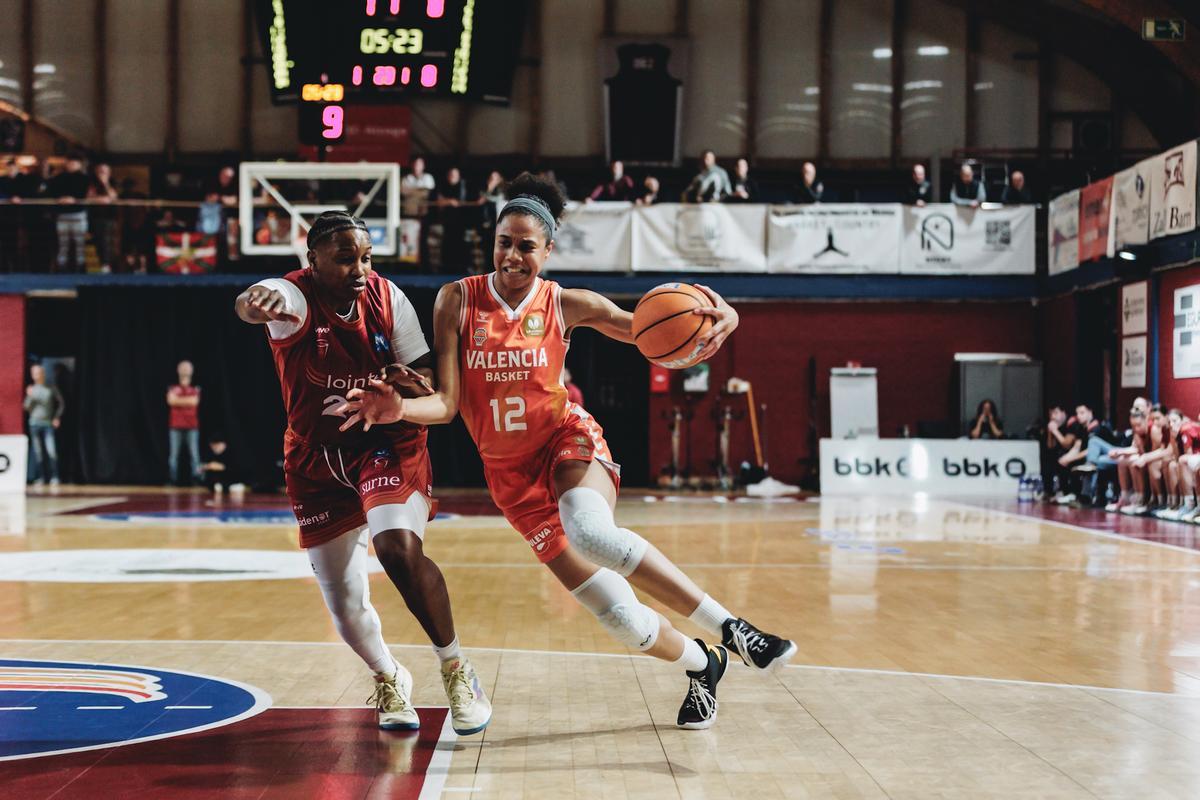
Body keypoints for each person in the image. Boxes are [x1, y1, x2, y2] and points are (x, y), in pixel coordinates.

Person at [336, 173, 796, 731]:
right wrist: (400, 410)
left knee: (592, 532)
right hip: (511, 479)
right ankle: (707, 662)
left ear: (547, 251)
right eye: (504, 242)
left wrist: (727, 317)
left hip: (566, 442)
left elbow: (652, 334)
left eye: (526, 246)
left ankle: (733, 628)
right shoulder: (457, 299)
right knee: (622, 618)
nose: (512, 255)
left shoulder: (568, 304)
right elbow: (449, 405)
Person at [234, 210, 491, 735]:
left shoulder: (386, 297)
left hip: (384, 442)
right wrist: (253, 301)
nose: (359, 269)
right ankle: (389, 675)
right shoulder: (296, 298)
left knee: (397, 547)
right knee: (345, 603)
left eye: (366, 257)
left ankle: (457, 668)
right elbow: (260, 299)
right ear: (313, 262)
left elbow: (424, 377)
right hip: (315, 460)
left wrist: (405, 384)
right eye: (345, 258)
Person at [46, 154, 91, 272]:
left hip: (78, 213)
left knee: (80, 241)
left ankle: (80, 265)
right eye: (69, 162)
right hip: (62, 214)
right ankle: (62, 265)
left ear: (79, 165)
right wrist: (59, 199)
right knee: (63, 242)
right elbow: (50, 191)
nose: (71, 165)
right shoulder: (59, 178)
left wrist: (74, 199)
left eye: (74, 163)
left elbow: (87, 194)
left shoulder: (85, 179)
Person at [24, 363, 63, 486]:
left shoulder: (50, 388)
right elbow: (26, 407)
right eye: (34, 373)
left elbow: (61, 403)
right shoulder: (32, 389)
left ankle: (55, 476)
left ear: (43, 374)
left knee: (51, 450)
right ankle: (41, 477)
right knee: (38, 452)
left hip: (47, 424)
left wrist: (56, 417)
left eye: (38, 373)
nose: (36, 375)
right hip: (34, 424)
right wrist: (30, 396)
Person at [167, 360, 203, 486]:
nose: (185, 370)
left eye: (187, 368)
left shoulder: (195, 389)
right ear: (178, 370)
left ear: (191, 370)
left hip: (192, 426)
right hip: (175, 426)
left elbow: (194, 402)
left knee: (194, 454)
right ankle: (173, 479)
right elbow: (171, 401)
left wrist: (179, 401)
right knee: (173, 455)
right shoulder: (173, 388)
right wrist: (185, 401)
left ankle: (196, 479)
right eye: (183, 368)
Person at [87, 163, 120, 273]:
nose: (102, 173)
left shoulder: (113, 182)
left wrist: (105, 183)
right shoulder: (92, 183)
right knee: (99, 240)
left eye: (104, 171)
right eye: (100, 171)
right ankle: (103, 264)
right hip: (96, 217)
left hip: (110, 216)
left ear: (109, 172)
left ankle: (110, 265)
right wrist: (101, 199)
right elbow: (89, 197)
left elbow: (113, 196)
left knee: (110, 242)